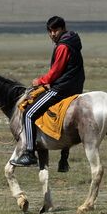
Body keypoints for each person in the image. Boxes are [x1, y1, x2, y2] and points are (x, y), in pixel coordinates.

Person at [11, 16, 84, 167]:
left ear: (63, 28)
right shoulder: (73, 42)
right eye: (50, 31)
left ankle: (29, 153)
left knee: (29, 113)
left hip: (61, 89)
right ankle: (64, 158)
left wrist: (40, 81)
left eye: (55, 30)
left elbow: (55, 72)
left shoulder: (63, 46)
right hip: (75, 86)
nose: (52, 34)